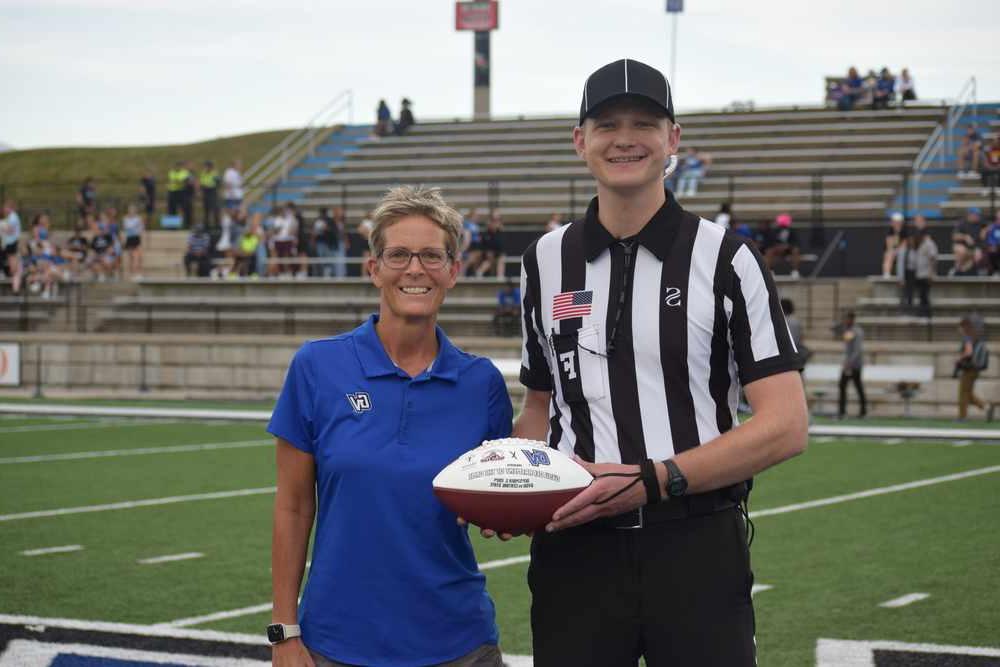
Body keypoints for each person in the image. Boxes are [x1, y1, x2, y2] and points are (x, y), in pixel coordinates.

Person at [492, 58, 807, 667]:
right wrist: (518, 490)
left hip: (693, 542)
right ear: (580, 141)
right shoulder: (544, 260)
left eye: (645, 122)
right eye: (607, 124)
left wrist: (653, 479)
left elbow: (786, 425)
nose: (626, 138)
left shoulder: (727, 258)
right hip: (574, 550)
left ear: (674, 140)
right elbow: (540, 403)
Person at [268, 185, 511, 667]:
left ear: (453, 271)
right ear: (373, 268)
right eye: (398, 255)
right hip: (337, 645)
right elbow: (294, 507)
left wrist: (506, 513)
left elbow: (495, 499)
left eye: (431, 255)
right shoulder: (317, 366)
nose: (415, 269)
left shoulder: (480, 382)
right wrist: (283, 631)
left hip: (460, 645)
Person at [953, 316, 994, 421]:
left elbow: (969, 352)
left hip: (969, 369)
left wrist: (959, 358)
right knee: (968, 393)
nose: (959, 329)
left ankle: (962, 417)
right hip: (974, 369)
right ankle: (987, 407)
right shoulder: (973, 337)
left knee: (962, 393)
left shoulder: (967, 337)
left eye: (960, 327)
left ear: (963, 327)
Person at [897, 226, 938, 317]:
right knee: (909, 295)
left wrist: (931, 274)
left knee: (924, 295)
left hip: (924, 274)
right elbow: (901, 264)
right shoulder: (905, 249)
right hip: (913, 274)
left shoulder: (927, 244)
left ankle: (925, 313)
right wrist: (901, 278)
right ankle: (909, 311)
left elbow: (932, 259)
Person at [836, 311, 866, 419]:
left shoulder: (857, 331)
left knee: (857, 387)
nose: (845, 321)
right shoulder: (848, 330)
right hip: (849, 363)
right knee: (843, 386)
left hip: (854, 365)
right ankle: (842, 411)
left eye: (847, 319)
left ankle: (862, 412)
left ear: (852, 319)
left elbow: (857, 350)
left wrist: (849, 363)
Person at [765, 213, 802, 278]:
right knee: (769, 251)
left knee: (796, 251)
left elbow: (795, 243)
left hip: (788, 250)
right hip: (776, 249)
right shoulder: (774, 231)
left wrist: (787, 246)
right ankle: (770, 271)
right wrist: (777, 247)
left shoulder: (791, 231)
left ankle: (795, 271)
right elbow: (770, 242)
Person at [951, 207, 984, 275]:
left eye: (978, 215)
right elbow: (954, 236)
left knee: (978, 255)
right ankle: (956, 270)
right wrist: (965, 237)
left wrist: (985, 231)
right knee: (961, 250)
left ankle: (974, 273)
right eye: (976, 215)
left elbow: (987, 230)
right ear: (970, 215)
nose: (977, 216)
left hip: (975, 248)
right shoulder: (962, 223)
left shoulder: (980, 224)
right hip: (963, 247)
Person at [1, 199, 24, 293]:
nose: (4, 209)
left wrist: (1, 226)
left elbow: (10, 230)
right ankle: (11, 276)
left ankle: (14, 278)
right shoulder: (10, 217)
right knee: (10, 262)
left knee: (13, 264)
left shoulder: (13, 217)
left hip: (12, 243)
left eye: (6, 207)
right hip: (9, 243)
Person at [475, 209, 506, 278]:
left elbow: (500, 247)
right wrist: (487, 252)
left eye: (497, 220)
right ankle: (479, 272)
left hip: (497, 254)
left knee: (501, 258)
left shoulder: (500, 233)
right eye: (493, 221)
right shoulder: (486, 233)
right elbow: (483, 245)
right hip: (487, 254)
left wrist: (493, 253)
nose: (495, 223)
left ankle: (500, 277)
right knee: (488, 259)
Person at [781, 298, 810, 368]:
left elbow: (793, 341)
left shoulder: (783, 322)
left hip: (789, 355)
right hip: (795, 355)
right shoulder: (795, 321)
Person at [121, 203, 144, 278]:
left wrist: (140, 238)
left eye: (133, 210)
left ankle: (138, 273)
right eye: (130, 210)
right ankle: (132, 273)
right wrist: (124, 240)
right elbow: (126, 229)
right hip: (130, 238)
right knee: (131, 257)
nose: (132, 211)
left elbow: (141, 229)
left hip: (136, 238)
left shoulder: (138, 218)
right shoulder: (125, 219)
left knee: (139, 256)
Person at [882, 211, 906, 277]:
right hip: (893, 250)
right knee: (888, 255)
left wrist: (897, 249)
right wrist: (893, 251)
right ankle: (886, 274)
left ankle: (901, 276)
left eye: (898, 222)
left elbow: (904, 244)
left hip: (902, 250)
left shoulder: (904, 231)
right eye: (895, 222)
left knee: (901, 253)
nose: (896, 224)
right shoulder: (890, 231)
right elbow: (889, 245)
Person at [199, 160, 221, 228]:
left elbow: (218, 183)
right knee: (206, 210)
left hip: (212, 192)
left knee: (215, 209)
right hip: (205, 192)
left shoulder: (215, 173)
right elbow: (201, 183)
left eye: (206, 166)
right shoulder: (203, 173)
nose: (205, 167)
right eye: (205, 166)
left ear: (210, 167)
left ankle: (217, 225)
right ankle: (206, 225)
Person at [984, 210, 1000, 276]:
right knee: (992, 251)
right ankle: (993, 272)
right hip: (995, 249)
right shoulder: (991, 228)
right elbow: (990, 240)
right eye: (998, 218)